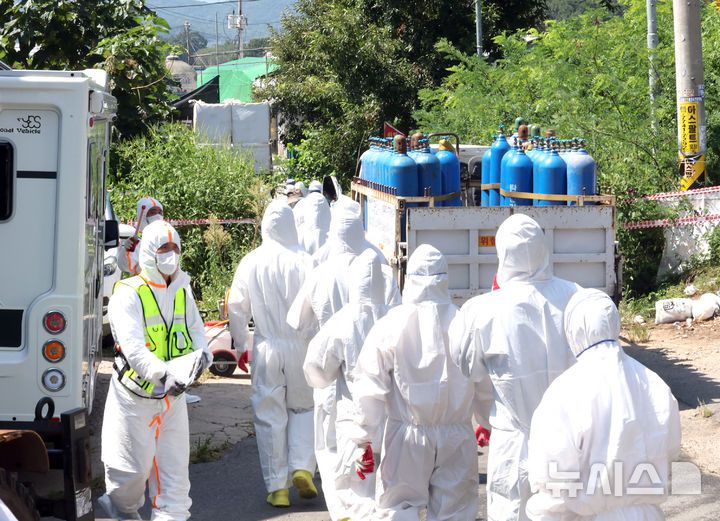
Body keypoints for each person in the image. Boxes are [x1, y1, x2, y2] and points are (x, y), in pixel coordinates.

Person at [449, 214, 580, 521]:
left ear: (502, 253)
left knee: (510, 512)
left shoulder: (482, 310)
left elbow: (469, 370)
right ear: (543, 247)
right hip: (568, 441)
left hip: (513, 441)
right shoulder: (577, 297)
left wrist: (485, 417)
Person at [348, 245, 482, 520]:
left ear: (410, 279)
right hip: (456, 435)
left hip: (406, 436)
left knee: (398, 509)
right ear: (445, 278)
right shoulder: (464, 322)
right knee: (455, 511)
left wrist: (363, 438)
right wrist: (486, 420)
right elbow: (483, 378)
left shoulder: (391, 324)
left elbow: (369, 385)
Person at [287, 198, 399, 520]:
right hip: (380, 386)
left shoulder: (321, 273)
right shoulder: (381, 269)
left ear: (333, 231)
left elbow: (297, 321)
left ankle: (343, 510)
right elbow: (398, 318)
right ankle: (370, 506)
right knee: (373, 454)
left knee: (331, 448)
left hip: (331, 379)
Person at [526, 289, 681, 520]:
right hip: (648, 513)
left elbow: (553, 475)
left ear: (573, 330)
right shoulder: (653, 382)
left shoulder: (566, 390)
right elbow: (670, 448)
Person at [99, 220, 212, 521]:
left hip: (172, 400)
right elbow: (133, 349)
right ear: (149, 252)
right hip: (134, 400)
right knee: (129, 476)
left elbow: (197, 332)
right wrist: (163, 375)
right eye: (164, 248)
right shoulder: (128, 293)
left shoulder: (182, 290)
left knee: (175, 479)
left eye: (175, 248)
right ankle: (121, 509)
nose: (171, 254)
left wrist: (204, 357)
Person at [227, 199, 317, 508]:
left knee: (269, 415)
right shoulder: (307, 261)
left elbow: (236, 307)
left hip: (266, 346)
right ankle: (302, 466)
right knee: (305, 408)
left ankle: (277, 487)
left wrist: (241, 345)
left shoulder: (251, 261)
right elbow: (319, 306)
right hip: (302, 345)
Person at [303, 249, 392, 520]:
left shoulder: (344, 320)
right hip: (392, 422)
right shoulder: (394, 317)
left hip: (355, 423)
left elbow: (316, 366)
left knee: (356, 491)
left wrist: (324, 381)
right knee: (389, 491)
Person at [118, 196, 164, 275]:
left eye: (160, 212)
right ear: (143, 216)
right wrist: (127, 251)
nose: (157, 215)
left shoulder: (169, 240)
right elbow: (125, 267)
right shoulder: (138, 244)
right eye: (153, 212)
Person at [293, 182, 331, 255]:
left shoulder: (303, 201)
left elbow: (296, 220)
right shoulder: (324, 200)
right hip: (324, 240)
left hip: (306, 239)